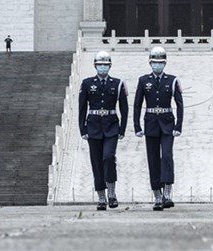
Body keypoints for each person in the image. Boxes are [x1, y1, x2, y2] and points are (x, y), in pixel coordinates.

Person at [133, 46, 184, 211]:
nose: (157, 65)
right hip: (151, 124)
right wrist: (137, 126)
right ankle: (157, 195)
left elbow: (179, 104)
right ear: (150, 62)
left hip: (168, 123)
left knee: (167, 156)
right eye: (155, 62)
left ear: (165, 63)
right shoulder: (143, 80)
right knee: (153, 159)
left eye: (160, 62)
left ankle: (168, 192)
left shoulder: (172, 80)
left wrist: (179, 126)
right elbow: (137, 104)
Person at [78, 50, 129, 210]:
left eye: (105, 65)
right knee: (96, 162)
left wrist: (122, 129)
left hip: (111, 126)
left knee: (108, 157)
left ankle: (112, 194)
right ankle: (101, 197)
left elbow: (124, 108)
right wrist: (82, 129)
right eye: (100, 65)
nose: (102, 68)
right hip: (93, 127)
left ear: (110, 66)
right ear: (94, 66)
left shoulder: (117, 83)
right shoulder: (87, 83)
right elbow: (81, 108)